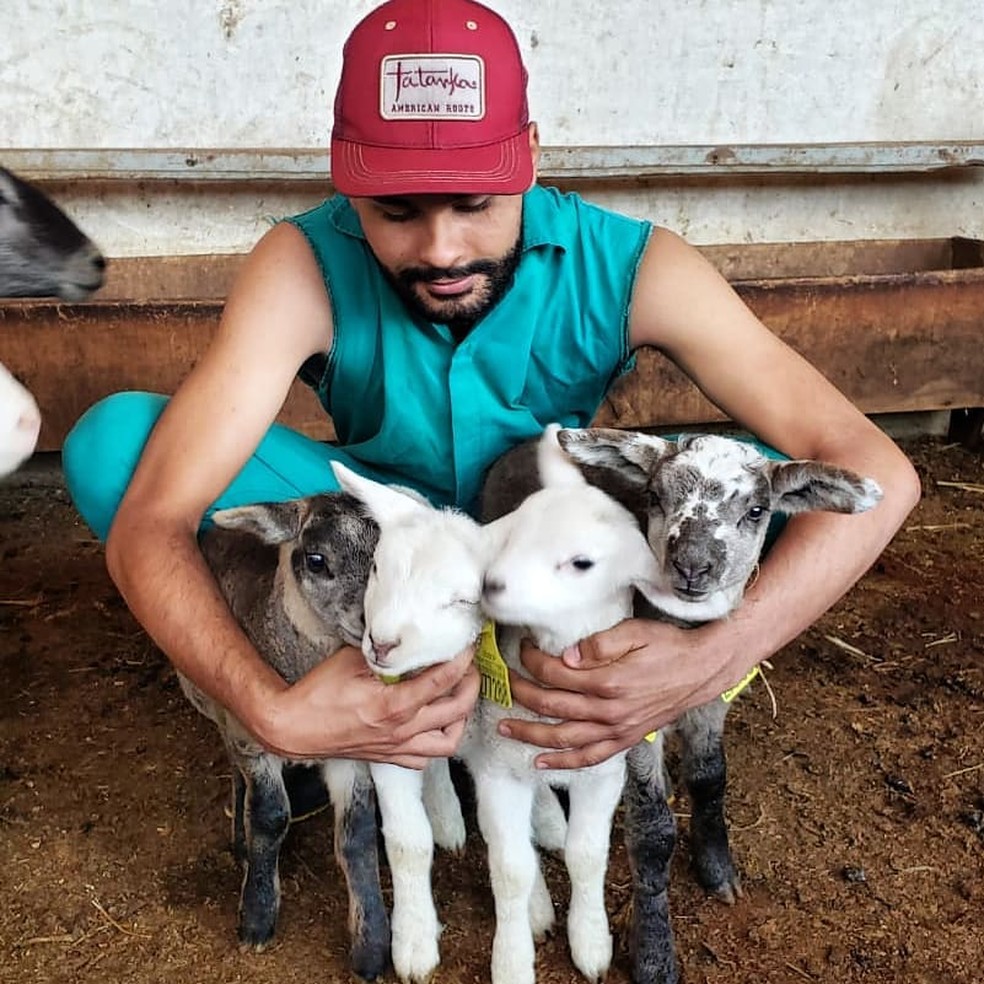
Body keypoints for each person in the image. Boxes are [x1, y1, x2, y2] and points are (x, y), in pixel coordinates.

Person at [63, 0, 920, 774]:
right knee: (116, 446)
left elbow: (878, 468)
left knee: (757, 489)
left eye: (475, 202)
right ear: (346, 181)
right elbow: (153, 521)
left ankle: (617, 680)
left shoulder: (638, 264)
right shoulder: (302, 262)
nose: (440, 249)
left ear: (531, 158)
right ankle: (351, 698)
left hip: (545, 538)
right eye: (396, 211)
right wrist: (271, 709)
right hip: (387, 528)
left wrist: (718, 654)